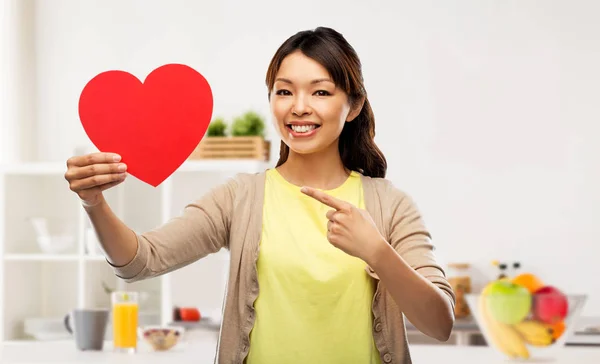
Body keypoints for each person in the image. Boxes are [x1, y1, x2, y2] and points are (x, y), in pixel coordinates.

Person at [64, 26, 455, 364]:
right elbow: (139, 261)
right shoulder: (241, 197)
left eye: (320, 92)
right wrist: (93, 203)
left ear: (352, 106)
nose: (299, 107)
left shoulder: (390, 205)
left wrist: (377, 251)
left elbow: (440, 324)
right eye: (284, 91)